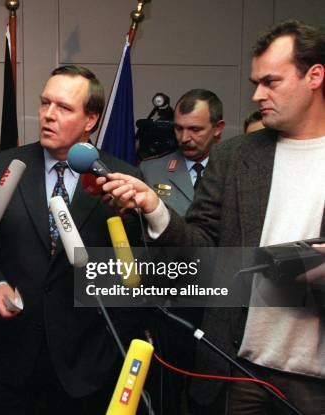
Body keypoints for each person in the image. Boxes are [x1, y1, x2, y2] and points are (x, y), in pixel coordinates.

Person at [99, 20, 325, 414]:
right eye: (256, 81)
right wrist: (156, 211)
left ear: (315, 76)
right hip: (239, 370)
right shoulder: (235, 157)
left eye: (271, 81)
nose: (257, 94)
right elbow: (202, 253)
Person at [0, 65, 144, 414]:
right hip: (8, 360)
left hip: (85, 364)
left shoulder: (122, 178)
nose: (48, 115)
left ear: (91, 120)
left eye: (64, 108)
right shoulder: (3, 166)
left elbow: (134, 272)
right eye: (44, 103)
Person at [140, 89, 225, 216]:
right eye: (178, 128)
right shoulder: (150, 171)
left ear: (218, 128)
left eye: (195, 129)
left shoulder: (234, 171)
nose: (184, 138)